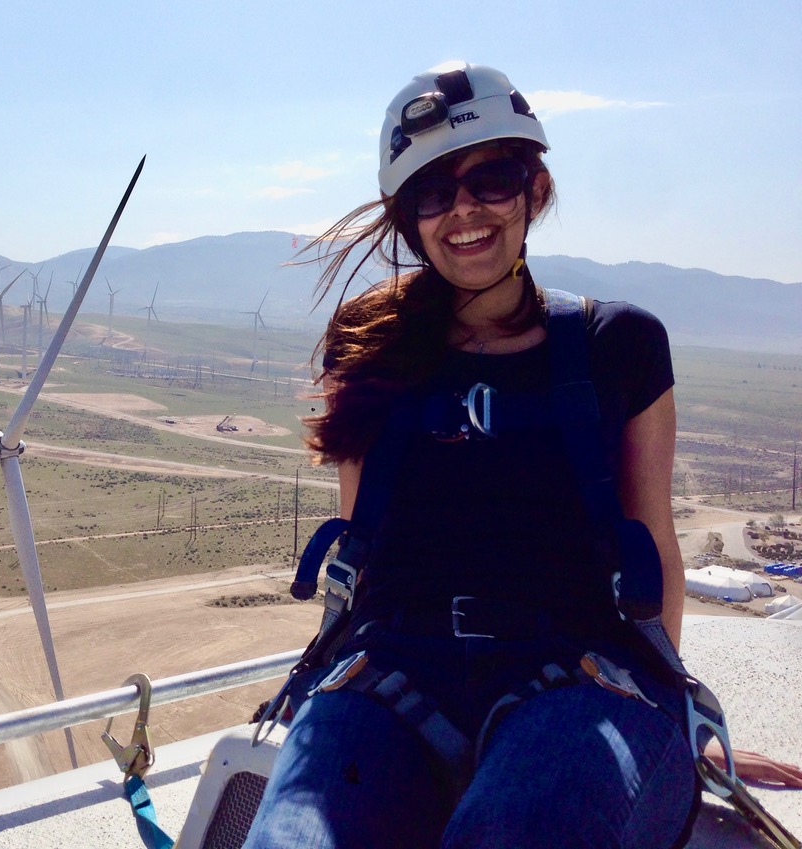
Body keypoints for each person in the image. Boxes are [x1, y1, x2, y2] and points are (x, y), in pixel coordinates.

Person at [243, 61, 802, 849]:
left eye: (492, 179)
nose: (464, 210)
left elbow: (654, 550)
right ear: (410, 220)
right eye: (434, 193)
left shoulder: (621, 344)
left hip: (579, 677)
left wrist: (673, 723)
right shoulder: (371, 344)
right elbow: (361, 540)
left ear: (535, 191)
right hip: (391, 671)